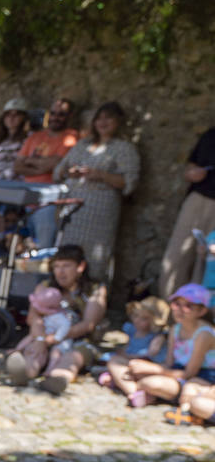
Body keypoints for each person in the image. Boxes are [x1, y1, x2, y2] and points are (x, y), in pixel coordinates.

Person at [53, 101, 141, 284]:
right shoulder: (82, 145)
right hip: (72, 210)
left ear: (118, 122)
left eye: (108, 118)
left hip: (99, 211)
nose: (103, 122)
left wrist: (99, 175)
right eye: (99, 118)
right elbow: (59, 171)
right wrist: (71, 173)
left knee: (94, 259)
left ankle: (91, 300)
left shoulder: (124, 149)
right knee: (68, 254)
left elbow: (129, 182)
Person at [3, 245, 106, 392]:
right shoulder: (45, 287)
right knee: (34, 352)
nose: (60, 272)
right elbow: (33, 317)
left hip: (79, 340)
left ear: (80, 266)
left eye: (66, 266)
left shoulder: (94, 289)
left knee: (72, 358)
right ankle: (24, 373)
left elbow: (88, 324)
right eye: (57, 266)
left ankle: (57, 379)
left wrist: (53, 339)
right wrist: (40, 339)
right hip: (44, 335)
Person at [122, 284, 215, 408]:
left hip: (200, 378)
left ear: (202, 311)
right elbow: (169, 364)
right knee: (126, 366)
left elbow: (189, 374)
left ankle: (139, 391)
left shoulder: (204, 335)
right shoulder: (175, 329)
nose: (180, 310)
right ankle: (145, 393)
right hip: (176, 372)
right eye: (177, 304)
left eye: (188, 306)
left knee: (151, 383)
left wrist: (153, 369)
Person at [158, 125, 215, 297]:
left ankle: (200, 319)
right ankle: (170, 314)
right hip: (197, 201)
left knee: (208, 264)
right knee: (176, 259)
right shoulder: (210, 135)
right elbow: (190, 168)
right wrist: (192, 173)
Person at [15, 97, 79, 247]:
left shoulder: (71, 137)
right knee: (22, 247)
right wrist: (42, 165)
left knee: (44, 248)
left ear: (69, 117)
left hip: (50, 202)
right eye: (53, 113)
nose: (56, 117)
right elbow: (17, 166)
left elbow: (56, 164)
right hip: (27, 200)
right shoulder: (35, 137)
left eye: (61, 114)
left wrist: (30, 161)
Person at [97, 296, 169, 397]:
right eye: (136, 316)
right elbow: (129, 346)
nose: (137, 320)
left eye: (144, 319)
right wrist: (123, 352)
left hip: (145, 364)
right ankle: (119, 379)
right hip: (129, 360)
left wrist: (127, 356)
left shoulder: (157, 337)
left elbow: (149, 356)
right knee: (110, 359)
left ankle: (130, 389)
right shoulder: (132, 330)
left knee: (115, 362)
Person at [0, 99, 31, 237]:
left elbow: (25, 163)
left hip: (16, 190)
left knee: (13, 233)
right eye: (8, 114)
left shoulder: (29, 138)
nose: (12, 118)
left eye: (16, 114)